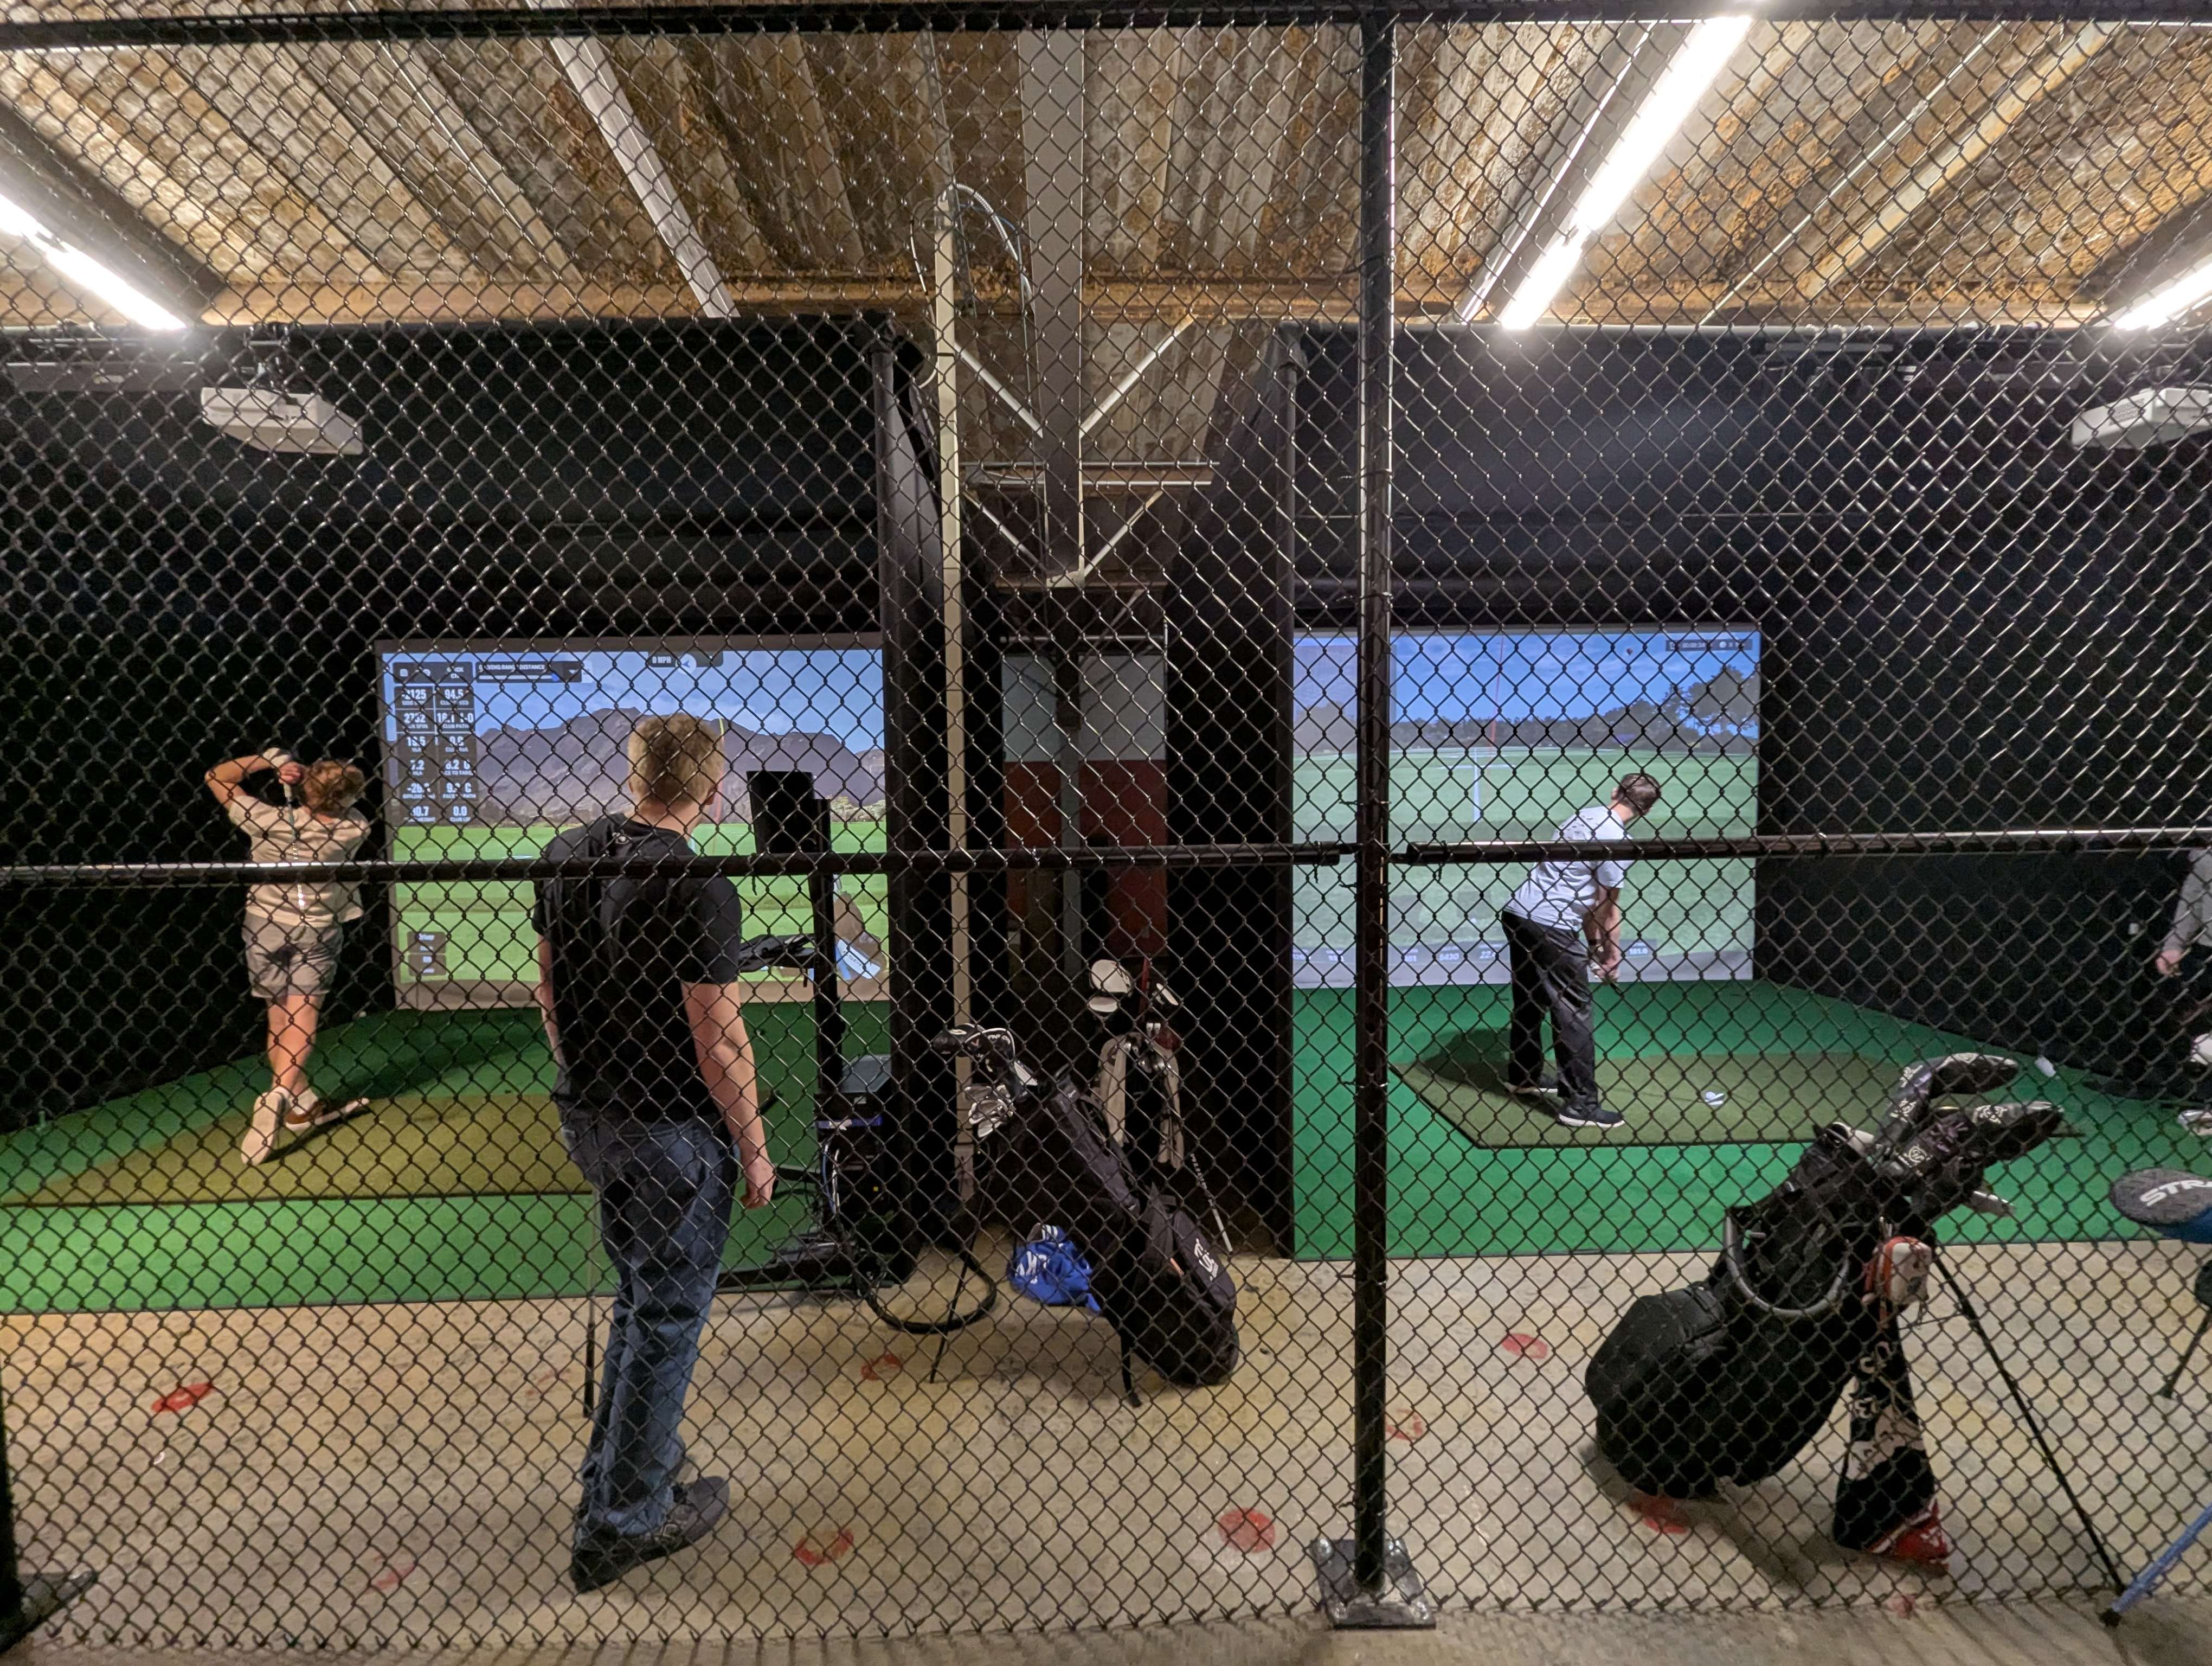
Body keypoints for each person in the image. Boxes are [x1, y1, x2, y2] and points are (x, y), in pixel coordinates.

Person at [531, 713, 776, 1593]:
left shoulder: (566, 852)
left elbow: (550, 990)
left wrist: (587, 1077)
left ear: (637, 773)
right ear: (711, 789)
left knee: (642, 1301)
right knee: (667, 1313)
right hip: (669, 1133)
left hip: (595, 1118)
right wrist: (754, 1148)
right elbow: (719, 1041)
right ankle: (625, 1519)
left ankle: (622, 1478)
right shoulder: (699, 879)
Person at [203, 748, 372, 1165]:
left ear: (304, 787)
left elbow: (217, 777)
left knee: (279, 1018)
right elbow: (332, 804)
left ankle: (298, 1104)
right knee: (304, 1015)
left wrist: (271, 760)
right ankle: (282, 1093)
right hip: (317, 928)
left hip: (264, 924)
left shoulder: (268, 820)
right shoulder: (354, 827)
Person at [1499, 772, 1663, 1130]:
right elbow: (1605, 907)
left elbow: (1590, 901)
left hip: (1518, 914)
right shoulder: (1618, 841)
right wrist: (1609, 952)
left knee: (1531, 997)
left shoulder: (1583, 816)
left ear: (1615, 791)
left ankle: (1523, 1075)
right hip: (1551, 925)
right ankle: (1580, 1106)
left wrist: (1592, 943)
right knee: (1573, 1009)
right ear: (1646, 811)